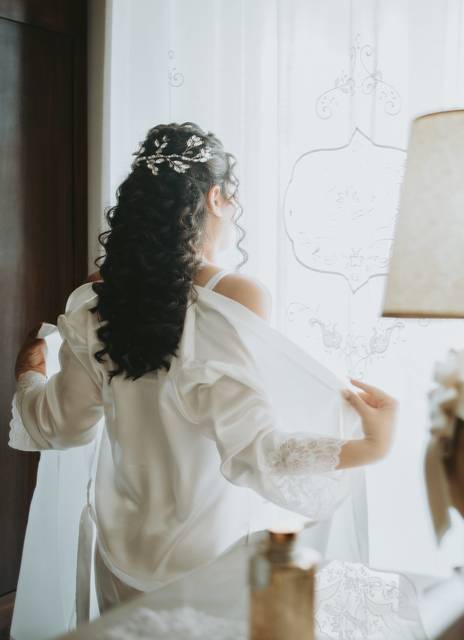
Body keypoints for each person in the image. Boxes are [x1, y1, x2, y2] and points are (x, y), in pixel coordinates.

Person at [9, 123, 397, 622]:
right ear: (215, 197)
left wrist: (27, 379)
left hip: (119, 544)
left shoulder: (94, 299)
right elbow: (251, 448)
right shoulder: (232, 298)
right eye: (232, 201)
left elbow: (63, 426)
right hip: (206, 549)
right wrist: (371, 446)